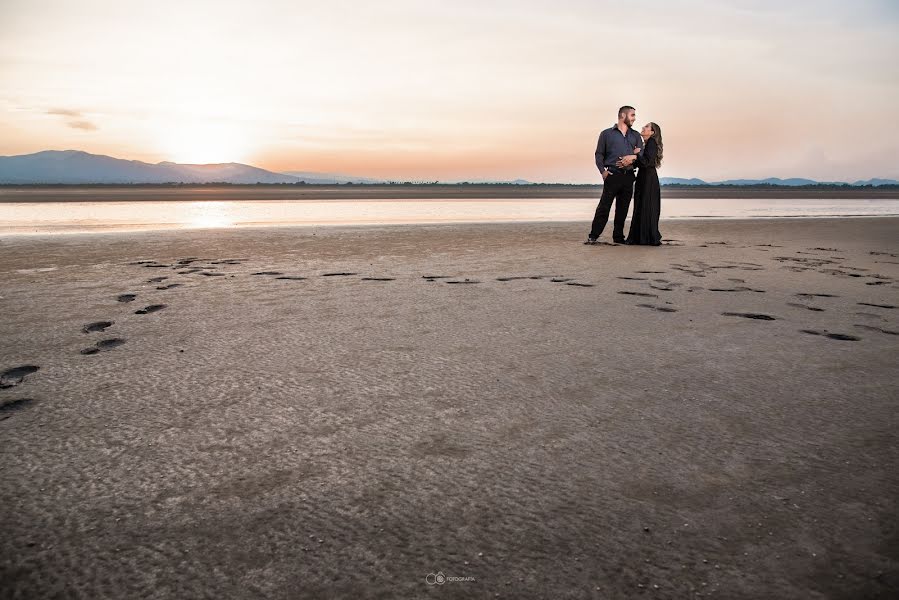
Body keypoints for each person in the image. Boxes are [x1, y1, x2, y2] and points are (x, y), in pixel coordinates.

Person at [585, 106, 643, 245]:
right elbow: (599, 154)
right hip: (612, 175)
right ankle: (593, 236)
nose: (634, 118)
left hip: (629, 176)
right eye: (632, 115)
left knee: (622, 209)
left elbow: (641, 155)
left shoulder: (635, 135)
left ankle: (618, 237)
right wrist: (603, 172)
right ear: (623, 115)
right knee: (604, 207)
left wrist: (633, 156)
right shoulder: (606, 134)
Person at [617, 122, 663, 246]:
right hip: (644, 177)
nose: (643, 127)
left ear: (652, 132)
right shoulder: (646, 144)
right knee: (641, 206)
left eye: (647, 127)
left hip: (648, 179)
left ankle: (644, 238)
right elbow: (641, 162)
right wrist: (628, 161)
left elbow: (647, 162)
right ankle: (640, 237)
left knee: (644, 206)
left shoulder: (651, 143)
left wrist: (636, 155)